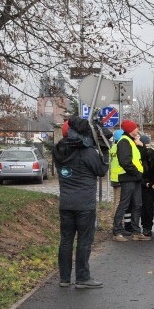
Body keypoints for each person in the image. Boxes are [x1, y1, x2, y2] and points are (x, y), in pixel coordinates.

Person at [53, 117, 109, 288]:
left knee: (66, 240)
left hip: (66, 203)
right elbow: (101, 170)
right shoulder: (87, 152)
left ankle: (64, 278)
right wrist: (104, 149)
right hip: (85, 204)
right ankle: (82, 278)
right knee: (84, 240)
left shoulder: (58, 150)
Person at [112, 120, 148, 241]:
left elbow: (140, 158)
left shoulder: (131, 141)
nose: (137, 130)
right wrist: (137, 173)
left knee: (137, 204)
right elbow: (125, 161)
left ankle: (136, 231)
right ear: (130, 130)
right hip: (128, 178)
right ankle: (117, 231)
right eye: (135, 128)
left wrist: (141, 145)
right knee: (124, 204)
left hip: (135, 178)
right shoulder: (124, 142)